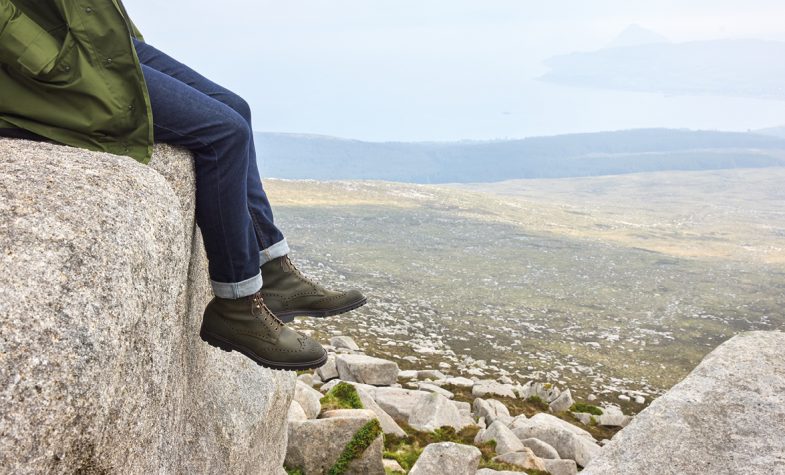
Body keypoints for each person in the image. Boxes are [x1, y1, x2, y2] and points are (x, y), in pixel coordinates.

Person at [0, 0, 366, 370]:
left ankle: (272, 270)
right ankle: (237, 305)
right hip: (40, 62)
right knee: (224, 134)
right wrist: (38, 55)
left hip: (86, 31)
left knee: (236, 108)